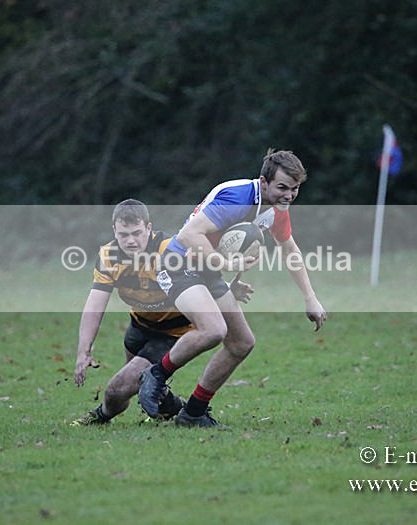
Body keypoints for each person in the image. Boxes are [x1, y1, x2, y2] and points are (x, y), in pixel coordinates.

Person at [138, 148, 328, 428]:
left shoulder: (276, 208)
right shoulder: (237, 197)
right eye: (282, 187)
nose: (289, 195)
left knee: (241, 343)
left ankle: (193, 413)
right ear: (264, 182)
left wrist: (310, 298)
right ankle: (155, 374)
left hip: (207, 271)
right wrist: (225, 262)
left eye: (295, 188)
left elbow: (290, 250)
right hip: (177, 264)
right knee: (213, 330)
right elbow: (189, 235)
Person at [72, 199, 252, 425]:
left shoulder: (172, 249)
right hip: (138, 327)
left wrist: (227, 290)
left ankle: (100, 416)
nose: (131, 241)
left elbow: (205, 276)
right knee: (135, 388)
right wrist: (84, 351)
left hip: (171, 333)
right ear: (114, 231)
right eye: (123, 235)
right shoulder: (109, 256)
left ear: (149, 228)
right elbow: (95, 305)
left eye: (137, 233)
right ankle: (171, 409)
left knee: (117, 390)